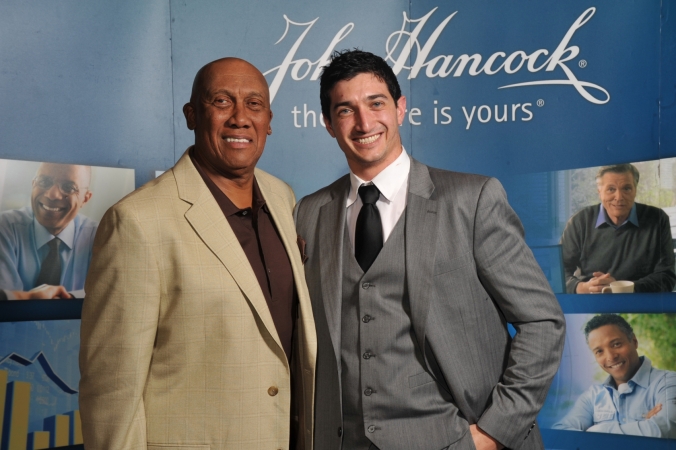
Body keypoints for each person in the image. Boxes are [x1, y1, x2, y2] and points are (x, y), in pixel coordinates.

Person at [294, 49, 565, 450]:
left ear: (401, 109)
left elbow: (542, 322)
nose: (365, 122)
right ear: (329, 124)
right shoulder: (310, 211)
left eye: (377, 103)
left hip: (454, 437)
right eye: (346, 110)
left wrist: (492, 433)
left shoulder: (472, 200)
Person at [79, 58, 317, 449]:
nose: (240, 118)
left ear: (269, 120)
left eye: (254, 104)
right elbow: (112, 388)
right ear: (192, 115)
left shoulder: (282, 197)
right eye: (222, 101)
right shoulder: (137, 221)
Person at [553, 314, 676, 437]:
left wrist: (593, 432)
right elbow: (559, 434)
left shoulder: (668, 382)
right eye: (599, 351)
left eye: (616, 344)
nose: (611, 357)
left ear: (634, 341)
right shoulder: (592, 397)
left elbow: (667, 428)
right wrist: (642, 425)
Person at [560, 164, 676, 293]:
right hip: (591, 302)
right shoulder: (579, 222)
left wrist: (623, 288)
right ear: (599, 192)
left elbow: (667, 277)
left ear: (635, 190)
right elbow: (557, 272)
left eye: (626, 188)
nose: (619, 197)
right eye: (611, 189)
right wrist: (581, 287)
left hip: (639, 304)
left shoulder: (657, 219)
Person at [0, 162, 96, 300]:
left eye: (69, 187)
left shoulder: (100, 237)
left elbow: (111, 293)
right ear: (33, 184)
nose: (52, 195)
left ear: (85, 198)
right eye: (44, 181)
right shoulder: (4, 228)